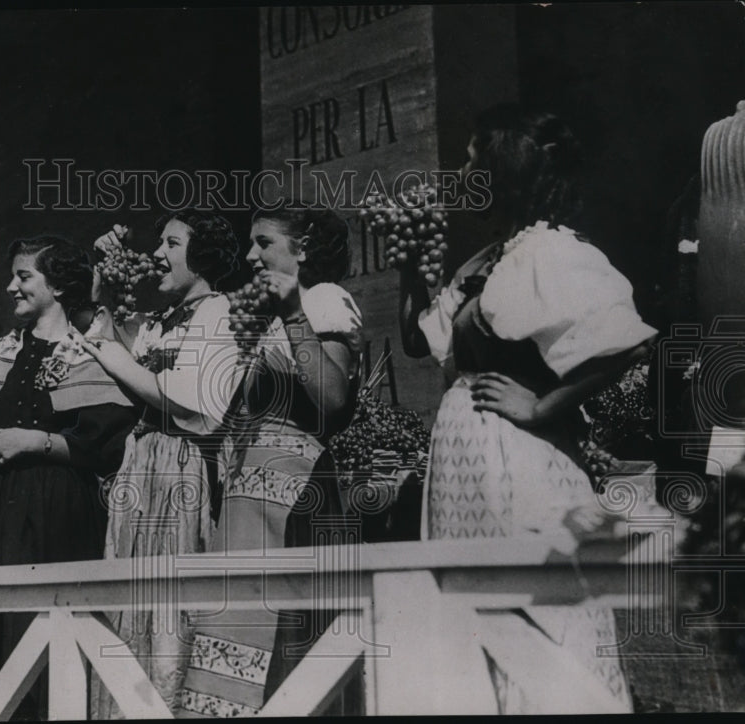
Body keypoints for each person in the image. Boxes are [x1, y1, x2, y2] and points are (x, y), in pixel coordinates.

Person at [399, 105, 657, 713]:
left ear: (505, 168)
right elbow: (419, 341)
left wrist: (540, 405)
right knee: (474, 613)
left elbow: (624, 341)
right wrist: (409, 270)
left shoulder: (550, 251)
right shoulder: (491, 259)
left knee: (527, 608)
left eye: (472, 163)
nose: (463, 175)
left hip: (516, 465)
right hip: (468, 473)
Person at [0, 235, 140, 721]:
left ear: (57, 286)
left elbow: (106, 441)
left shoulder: (91, 353)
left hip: (58, 513)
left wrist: (36, 442)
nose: (10, 286)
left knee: (44, 639)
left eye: (24, 276)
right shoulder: (5, 352)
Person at [176, 205, 364, 718]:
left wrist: (294, 317)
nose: (251, 255)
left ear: (302, 250)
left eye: (264, 243)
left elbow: (331, 400)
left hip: (292, 501)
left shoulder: (323, 299)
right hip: (245, 505)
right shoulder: (265, 313)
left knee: (282, 652)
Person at [79, 209, 243, 716]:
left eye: (172, 244)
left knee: (170, 609)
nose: (157, 255)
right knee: (130, 604)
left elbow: (195, 404)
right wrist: (101, 281)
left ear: (204, 256)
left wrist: (117, 358)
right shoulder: (163, 321)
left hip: (180, 472)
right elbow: (108, 337)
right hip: (143, 467)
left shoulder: (221, 313)